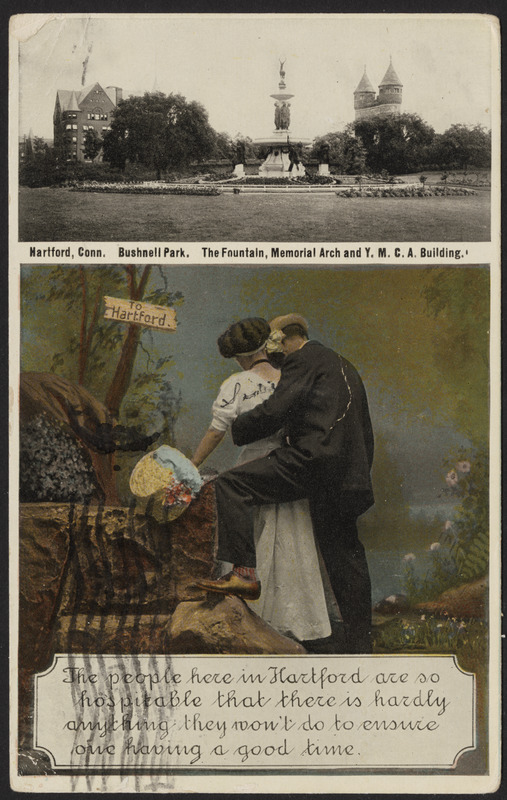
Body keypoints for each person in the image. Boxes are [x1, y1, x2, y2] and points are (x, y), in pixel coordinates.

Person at [196, 314, 374, 654]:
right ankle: (360, 644)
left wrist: (239, 430)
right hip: (348, 476)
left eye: (276, 346)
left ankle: (244, 574)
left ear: (284, 338)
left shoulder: (303, 361)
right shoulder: (344, 365)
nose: (275, 354)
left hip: (311, 464)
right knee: (345, 555)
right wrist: (358, 474)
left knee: (231, 484)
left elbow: (276, 410)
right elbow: (363, 429)